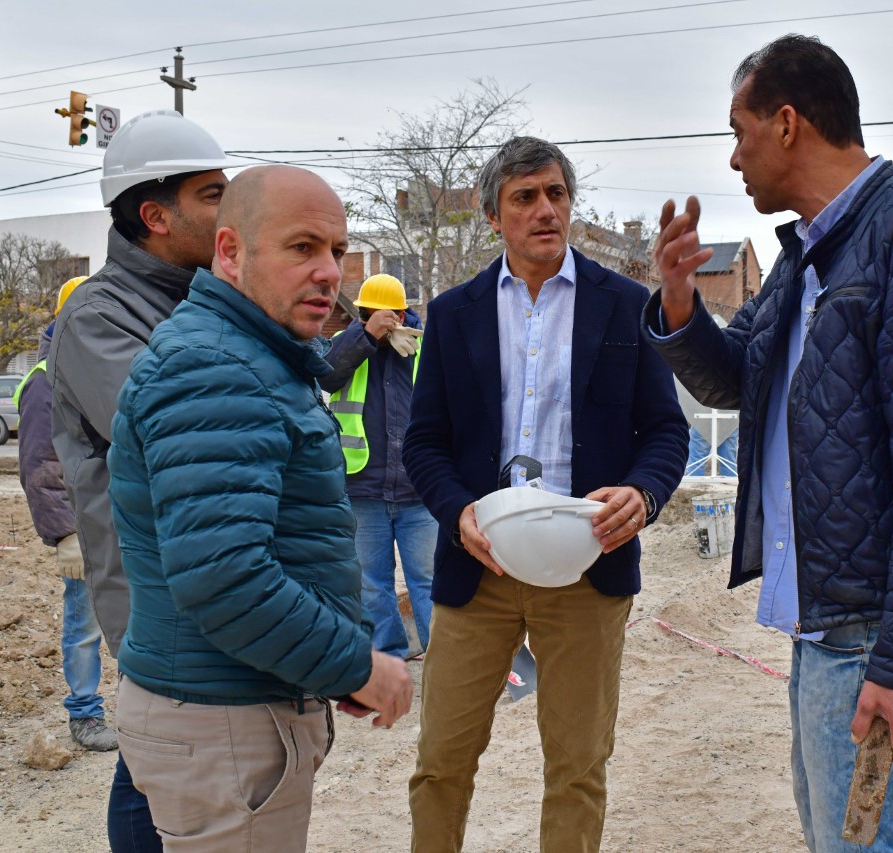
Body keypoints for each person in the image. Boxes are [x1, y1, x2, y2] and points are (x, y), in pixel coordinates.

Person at [643, 35, 893, 851]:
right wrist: (676, 303)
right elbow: (740, 380)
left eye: (739, 131)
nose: (734, 158)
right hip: (825, 626)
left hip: (873, 631)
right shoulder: (809, 253)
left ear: (788, 124)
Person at [107, 165, 413, 851]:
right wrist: (356, 663)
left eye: (336, 250)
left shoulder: (256, 352)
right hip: (223, 719)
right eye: (301, 247)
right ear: (231, 252)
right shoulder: (217, 366)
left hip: (239, 706)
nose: (330, 272)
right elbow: (225, 576)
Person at [403, 135, 688, 852]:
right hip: (479, 568)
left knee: (578, 767)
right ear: (492, 215)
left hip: (589, 567)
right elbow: (424, 441)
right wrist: (455, 509)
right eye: (525, 197)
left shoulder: (626, 306)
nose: (545, 210)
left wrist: (643, 493)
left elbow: (665, 431)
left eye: (556, 194)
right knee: (440, 763)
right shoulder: (454, 313)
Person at [48, 109, 242, 852]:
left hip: (214, 575)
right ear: (156, 214)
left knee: (179, 765)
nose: (233, 209)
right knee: (161, 768)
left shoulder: (206, 300)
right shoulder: (100, 316)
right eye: (213, 193)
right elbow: (184, 435)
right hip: (156, 587)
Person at [15, 275, 116, 753]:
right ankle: (84, 713)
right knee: (84, 625)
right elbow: (40, 465)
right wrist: (65, 536)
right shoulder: (44, 381)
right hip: (84, 527)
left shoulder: (89, 366)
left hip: (115, 520)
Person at [320, 273, 434, 660]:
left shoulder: (425, 350)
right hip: (361, 487)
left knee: (431, 581)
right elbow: (327, 374)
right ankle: (387, 657)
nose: (383, 319)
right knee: (371, 584)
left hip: (419, 491)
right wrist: (366, 335)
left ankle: (445, 660)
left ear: (404, 312)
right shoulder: (341, 344)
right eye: (370, 313)